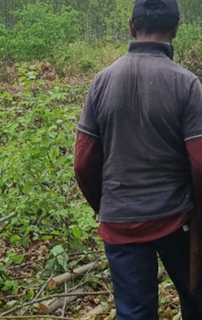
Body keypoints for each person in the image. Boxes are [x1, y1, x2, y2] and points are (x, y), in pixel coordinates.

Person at [74, 0, 202, 319]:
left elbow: (83, 161)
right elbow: (199, 162)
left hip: (120, 221)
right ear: (176, 28)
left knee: (135, 313)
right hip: (177, 219)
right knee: (197, 300)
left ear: (131, 27)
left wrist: (105, 206)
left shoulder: (102, 81)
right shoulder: (187, 84)